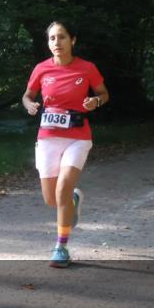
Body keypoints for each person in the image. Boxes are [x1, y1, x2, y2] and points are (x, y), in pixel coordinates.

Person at [22, 21, 109, 268]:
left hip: (78, 137)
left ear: (73, 40)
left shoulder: (87, 68)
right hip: (48, 136)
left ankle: (61, 247)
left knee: (61, 190)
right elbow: (27, 95)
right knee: (52, 199)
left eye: (61, 37)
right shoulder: (41, 69)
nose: (56, 43)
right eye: (51, 38)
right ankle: (73, 201)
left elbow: (104, 93)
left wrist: (95, 101)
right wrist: (29, 104)